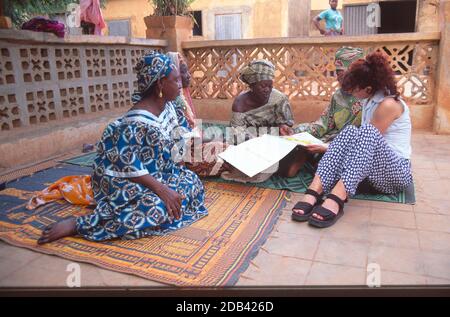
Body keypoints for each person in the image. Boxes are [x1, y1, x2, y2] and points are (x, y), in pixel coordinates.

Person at [38, 51, 208, 244]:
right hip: (129, 180)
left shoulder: (168, 106)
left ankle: (167, 200)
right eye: (175, 80)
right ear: (160, 84)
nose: (181, 85)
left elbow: (180, 137)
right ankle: (78, 224)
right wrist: (162, 190)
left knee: (192, 183)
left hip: (161, 174)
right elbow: (127, 166)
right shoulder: (135, 122)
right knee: (155, 209)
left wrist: (200, 145)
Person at [291, 52, 413, 228]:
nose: (352, 93)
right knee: (350, 131)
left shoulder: (388, 105)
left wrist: (328, 149)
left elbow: (366, 145)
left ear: (368, 89)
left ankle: (336, 198)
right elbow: (358, 147)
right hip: (372, 169)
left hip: (395, 175)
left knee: (367, 132)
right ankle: (313, 191)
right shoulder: (369, 99)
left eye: (355, 89)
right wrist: (330, 148)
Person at [289, 46, 364, 179]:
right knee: (298, 141)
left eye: (342, 75)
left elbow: (366, 139)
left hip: (353, 147)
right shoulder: (337, 96)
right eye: (337, 74)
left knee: (324, 164)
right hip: (330, 139)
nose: (338, 80)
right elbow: (323, 124)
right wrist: (295, 132)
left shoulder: (368, 97)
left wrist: (327, 147)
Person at [226, 59, 298, 182]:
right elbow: (237, 134)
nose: (267, 90)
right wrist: (256, 143)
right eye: (263, 86)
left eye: (270, 86)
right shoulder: (240, 103)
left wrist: (284, 127)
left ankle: (288, 163)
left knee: (295, 144)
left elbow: (287, 123)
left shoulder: (279, 98)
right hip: (251, 143)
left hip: (276, 141)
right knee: (231, 154)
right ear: (252, 86)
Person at [167, 51, 229, 178]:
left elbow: (192, 133)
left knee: (227, 143)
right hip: (185, 158)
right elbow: (186, 141)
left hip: (191, 147)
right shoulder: (174, 103)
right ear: (175, 75)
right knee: (230, 151)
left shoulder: (180, 98)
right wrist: (214, 140)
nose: (189, 76)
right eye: (183, 72)